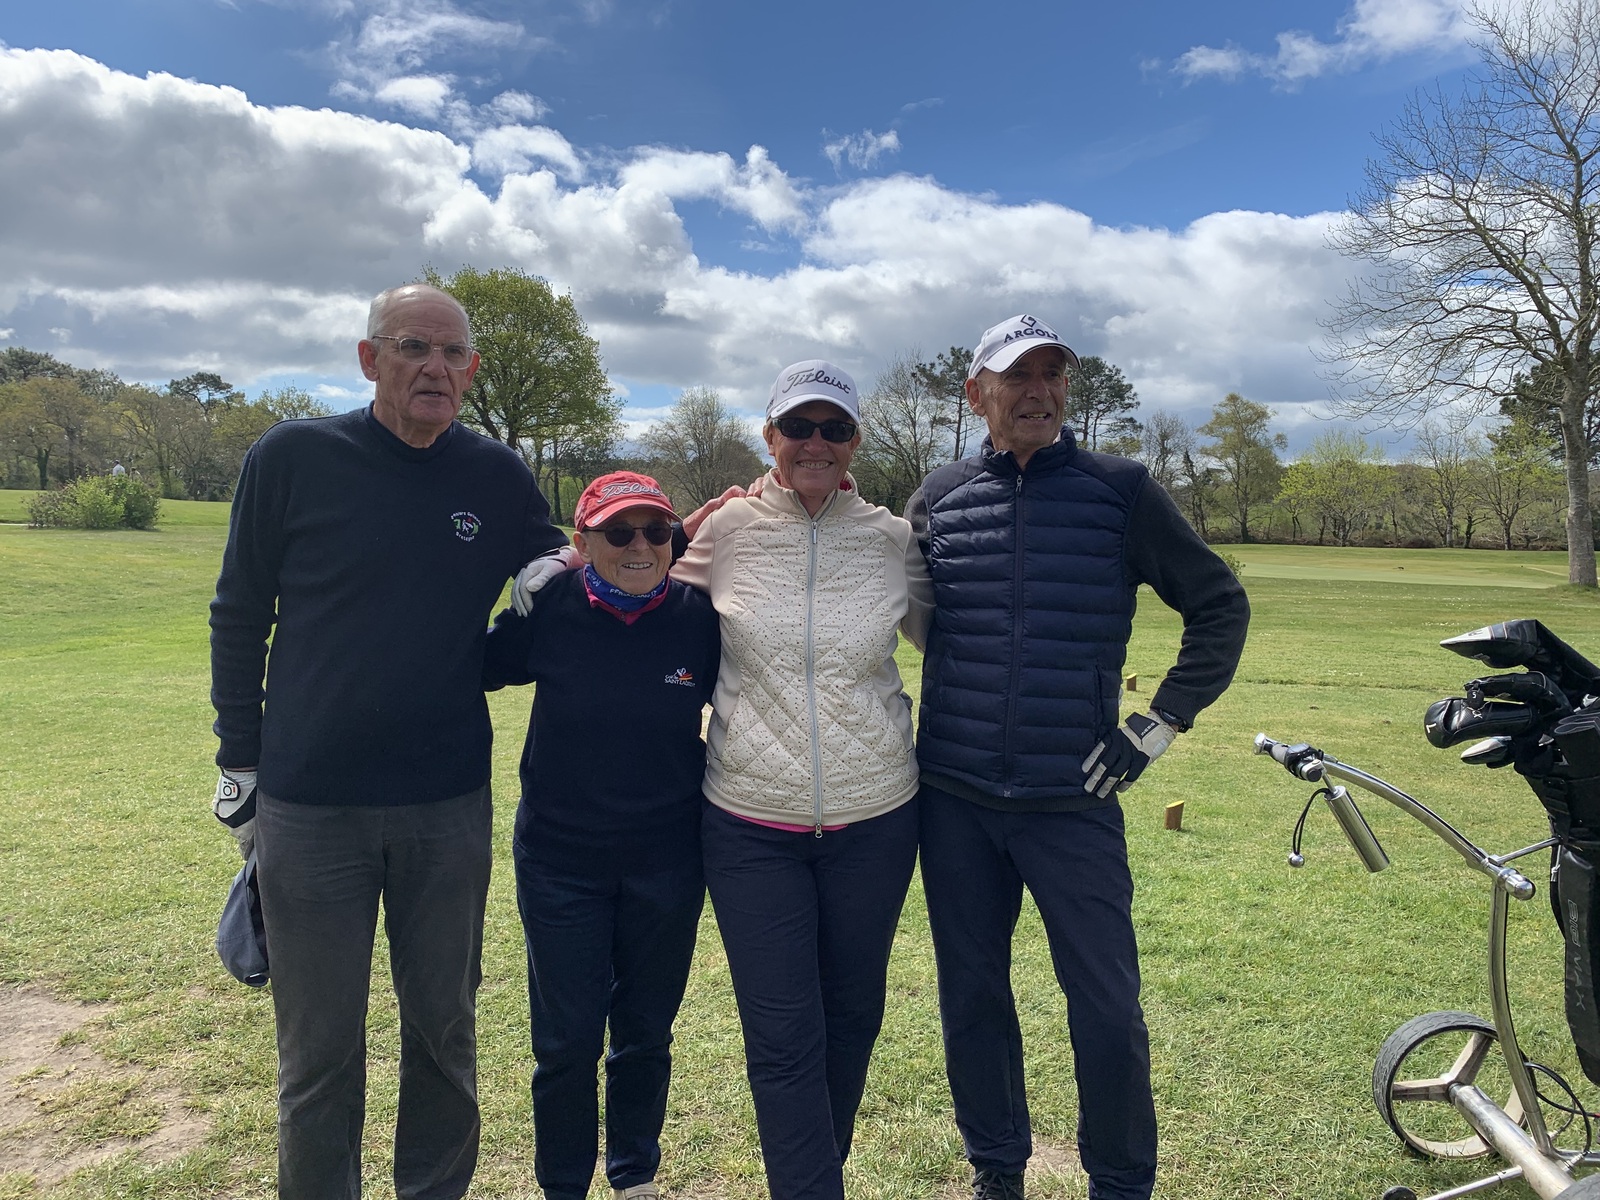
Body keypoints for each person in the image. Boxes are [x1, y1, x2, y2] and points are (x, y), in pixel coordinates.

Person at [207, 282, 567, 1200]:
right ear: (370, 359)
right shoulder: (292, 456)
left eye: (453, 354)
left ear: (471, 372)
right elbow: (239, 612)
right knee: (318, 1048)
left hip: (446, 802)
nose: (435, 368)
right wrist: (238, 759)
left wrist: (554, 588)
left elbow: (561, 583)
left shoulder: (496, 476)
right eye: (413, 347)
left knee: (443, 1032)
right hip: (308, 803)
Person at [906, 315, 1249, 1200]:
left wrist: (1157, 725)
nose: (1038, 392)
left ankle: (1121, 1181)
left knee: (1106, 1007)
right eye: (1017, 377)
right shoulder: (937, 497)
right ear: (976, 393)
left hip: (1073, 801)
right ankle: (997, 1167)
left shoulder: (1121, 490)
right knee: (972, 998)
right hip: (954, 797)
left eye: (1053, 375)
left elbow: (1219, 605)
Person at [671, 360, 933, 1200]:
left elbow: (958, 640)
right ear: (770, 437)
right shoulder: (729, 529)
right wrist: (569, 563)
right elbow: (635, 588)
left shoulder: (891, 538)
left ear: (855, 441)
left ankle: (818, 1171)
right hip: (750, 824)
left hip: (877, 821)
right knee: (783, 1037)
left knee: (852, 1019)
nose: (815, 443)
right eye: (798, 427)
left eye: (834, 428)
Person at [483, 471, 719, 1200]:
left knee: (645, 1032)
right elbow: (467, 668)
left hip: (668, 860)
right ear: (583, 544)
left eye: (656, 531)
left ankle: (634, 1175)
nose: (639, 546)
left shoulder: (701, 618)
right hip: (561, 862)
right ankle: (564, 1185)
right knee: (566, 1042)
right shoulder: (548, 606)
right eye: (618, 532)